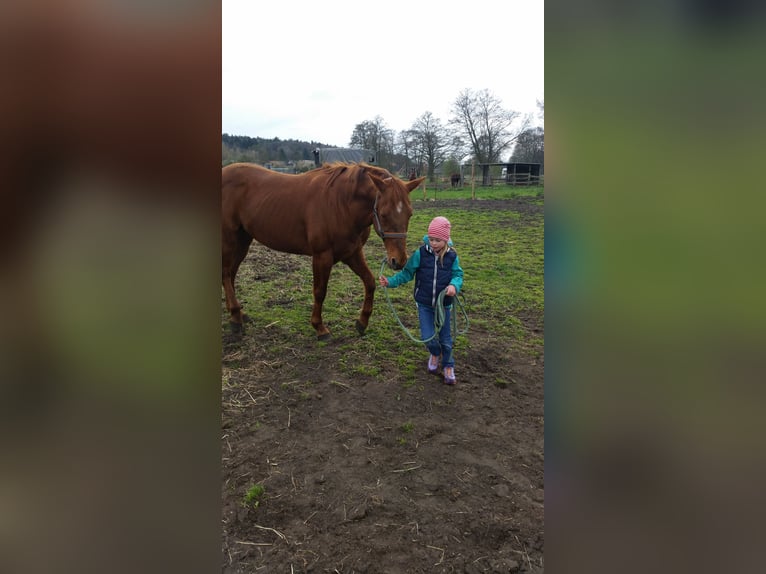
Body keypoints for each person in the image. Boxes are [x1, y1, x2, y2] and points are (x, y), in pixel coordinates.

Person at [379, 216, 464, 385]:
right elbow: (407, 273)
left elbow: (457, 275)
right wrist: (390, 282)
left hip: (444, 305)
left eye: (437, 240)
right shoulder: (420, 254)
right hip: (424, 304)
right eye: (431, 239)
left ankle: (448, 365)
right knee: (427, 337)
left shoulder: (452, 256)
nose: (433, 243)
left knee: (446, 340)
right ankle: (434, 353)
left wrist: (454, 286)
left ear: (445, 239)